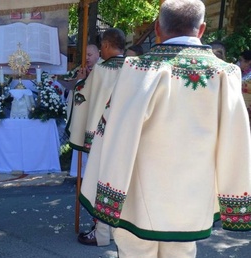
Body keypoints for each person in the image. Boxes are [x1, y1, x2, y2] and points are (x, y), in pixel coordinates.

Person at [80, 0, 251, 257]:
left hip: (137, 198)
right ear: (202, 29)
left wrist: (105, 193)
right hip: (191, 199)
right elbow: (237, 141)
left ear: (158, 28)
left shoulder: (137, 69)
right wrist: (232, 198)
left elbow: (113, 134)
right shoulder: (226, 74)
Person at [69, 28, 126, 247]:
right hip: (125, 137)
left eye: (102, 45)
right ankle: (113, 230)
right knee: (118, 183)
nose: (101, 49)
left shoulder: (101, 69)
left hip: (101, 136)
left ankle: (101, 232)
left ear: (108, 45)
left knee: (99, 181)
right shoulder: (134, 68)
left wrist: (80, 82)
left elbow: (84, 96)